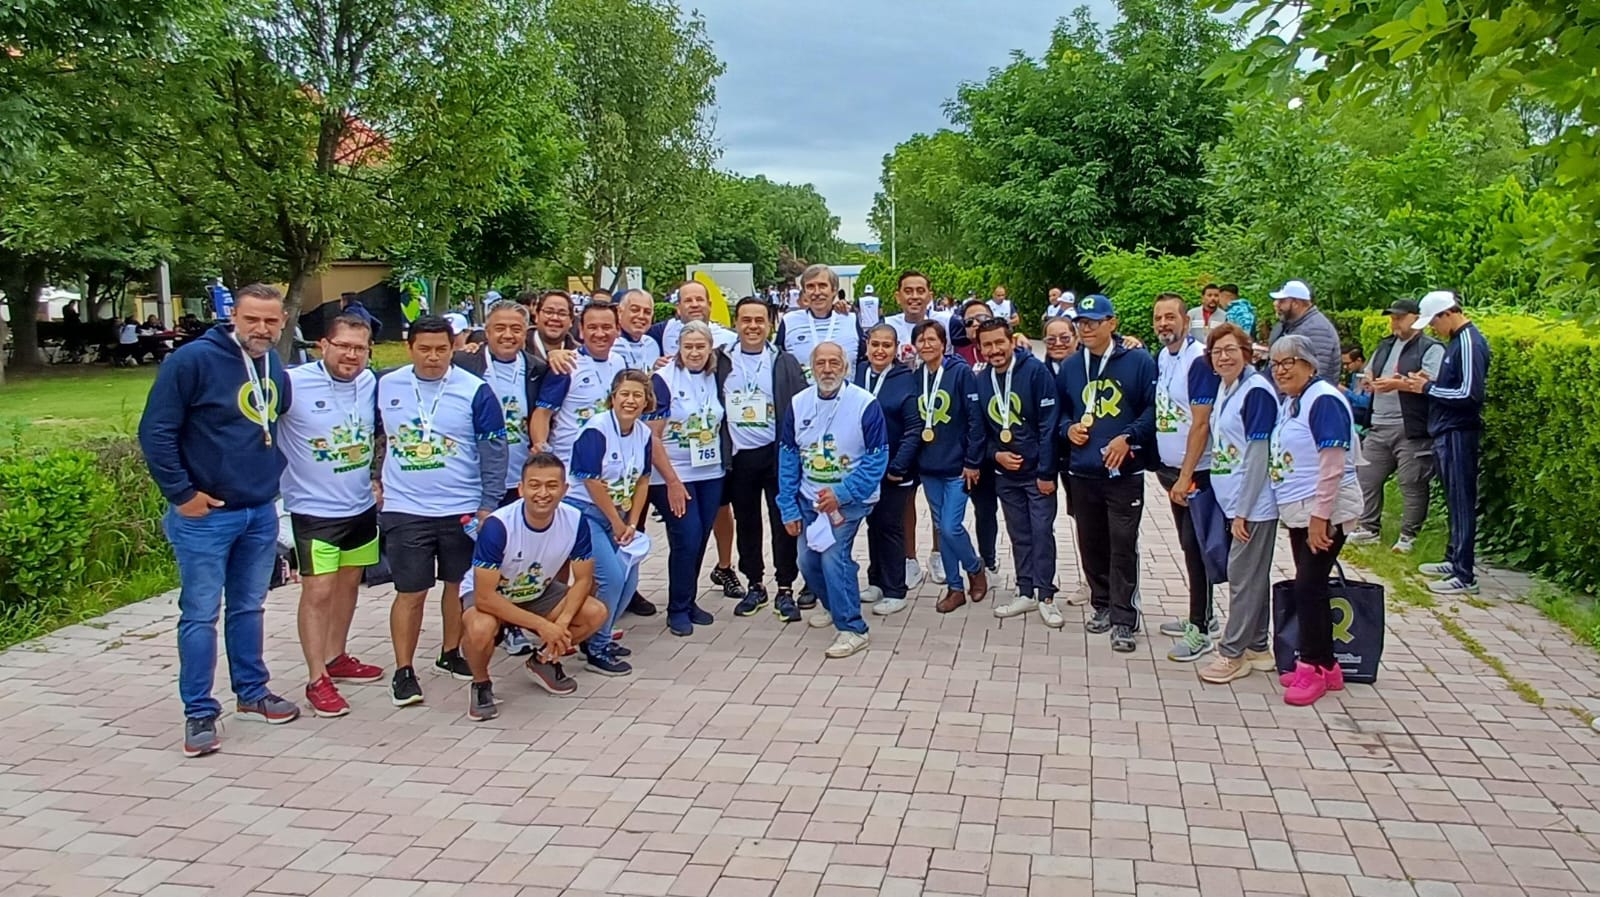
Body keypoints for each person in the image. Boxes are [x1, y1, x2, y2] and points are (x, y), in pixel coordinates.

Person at [138, 283, 301, 757]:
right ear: (233, 316)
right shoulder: (191, 361)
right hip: (206, 515)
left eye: (271, 321)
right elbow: (156, 431)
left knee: (249, 607)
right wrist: (181, 493)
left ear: (282, 321)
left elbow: (273, 419)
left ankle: (251, 692)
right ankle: (200, 711)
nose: (262, 328)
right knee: (200, 614)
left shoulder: (271, 362)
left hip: (258, 510)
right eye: (252, 319)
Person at [374, 315, 508, 708]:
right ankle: (403, 669)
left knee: (457, 585)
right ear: (409, 348)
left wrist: (488, 503)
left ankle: (451, 652)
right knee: (411, 591)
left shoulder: (476, 390)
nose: (433, 357)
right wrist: (373, 476)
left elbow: (493, 449)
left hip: (462, 506)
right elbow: (368, 432)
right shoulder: (384, 385)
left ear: (454, 348)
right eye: (424, 349)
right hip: (405, 507)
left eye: (441, 349)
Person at [277, 314, 383, 718]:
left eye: (360, 348)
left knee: (348, 584)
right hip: (313, 510)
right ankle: (316, 677)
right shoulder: (292, 383)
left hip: (359, 505)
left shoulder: (370, 382)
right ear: (324, 345)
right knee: (317, 591)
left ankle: (337, 656)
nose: (351, 355)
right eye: (344, 346)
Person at [458, 453, 611, 720]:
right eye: (534, 485)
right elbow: (484, 597)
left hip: (537, 591)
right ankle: (481, 683)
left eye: (552, 486)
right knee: (481, 629)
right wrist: (543, 626)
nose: (543, 493)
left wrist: (561, 623)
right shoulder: (498, 525)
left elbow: (584, 579)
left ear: (564, 489)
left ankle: (543, 661)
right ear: (521, 489)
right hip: (494, 595)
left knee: (595, 613)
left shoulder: (576, 520)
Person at [1056, 294, 1157, 653]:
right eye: (1081, 322)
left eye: (1093, 322)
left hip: (1124, 472)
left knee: (1123, 545)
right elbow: (1062, 412)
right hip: (1083, 471)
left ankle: (1125, 619)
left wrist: (1128, 437)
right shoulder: (1070, 366)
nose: (1085, 328)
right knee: (1091, 542)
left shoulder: (1138, 361)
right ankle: (1101, 604)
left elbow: (1152, 410)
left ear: (1112, 323)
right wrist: (1068, 429)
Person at [1267, 334, 1363, 706]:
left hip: (1323, 510)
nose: (1281, 370)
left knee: (1309, 586)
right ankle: (1326, 665)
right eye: (1276, 364)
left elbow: (1333, 462)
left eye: (1289, 362)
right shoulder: (1295, 401)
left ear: (1309, 364)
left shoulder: (1323, 400)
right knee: (1312, 586)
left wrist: (1321, 517)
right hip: (1301, 509)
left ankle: (1313, 666)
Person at [777, 342, 887, 658]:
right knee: (807, 561)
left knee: (833, 558)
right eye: (821, 362)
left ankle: (853, 628)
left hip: (850, 500)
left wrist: (841, 494)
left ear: (846, 367)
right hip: (810, 501)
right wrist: (787, 504)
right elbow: (787, 456)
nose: (827, 369)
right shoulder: (798, 404)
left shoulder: (865, 404)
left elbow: (877, 458)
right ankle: (834, 603)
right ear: (811, 368)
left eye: (834, 362)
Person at [1195, 324, 1281, 684]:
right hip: (1234, 502)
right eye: (1217, 352)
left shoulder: (1256, 391)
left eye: (1231, 350)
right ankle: (1258, 646)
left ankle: (1232, 653)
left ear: (1247, 352)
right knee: (1251, 575)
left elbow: (1259, 454)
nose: (1224, 357)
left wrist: (1244, 510)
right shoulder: (1228, 386)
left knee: (1242, 580)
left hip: (1253, 505)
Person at [721, 297, 808, 621]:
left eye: (760, 320)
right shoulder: (722, 361)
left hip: (777, 456)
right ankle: (754, 583)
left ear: (771, 324)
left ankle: (785, 586)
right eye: (746, 320)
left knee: (783, 521)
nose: (753, 326)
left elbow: (799, 409)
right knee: (747, 522)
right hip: (740, 457)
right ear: (736, 323)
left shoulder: (784, 361)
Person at [566, 369, 654, 674]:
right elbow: (591, 483)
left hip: (618, 515)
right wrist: (617, 523)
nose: (630, 401)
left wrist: (632, 523)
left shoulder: (643, 433)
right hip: (586, 512)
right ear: (613, 398)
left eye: (637, 395)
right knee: (611, 578)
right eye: (624, 394)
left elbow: (643, 480)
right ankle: (597, 648)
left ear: (646, 401)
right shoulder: (597, 429)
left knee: (628, 578)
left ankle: (598, 634)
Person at [976, 319, 1064, 626]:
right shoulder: (982, 379)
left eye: (999, 342)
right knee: (1019, 534)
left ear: (1012, 341)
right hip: (1006, 474)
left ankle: (1047, 595)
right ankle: (1026, 590)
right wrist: (995, 454)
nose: (994, 350)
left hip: (1037, 474)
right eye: (987, 345)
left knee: (1042, 532)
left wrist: (1046, 471)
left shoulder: (1035, 372)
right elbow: (981, 430)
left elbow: (1049, 425)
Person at [1401, 291, 1489, 595]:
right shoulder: (1456, 342)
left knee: (1462, 500)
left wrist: (1427, 388)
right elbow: (1452, 386)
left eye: (1434, 323)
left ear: (1446, 315)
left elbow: (1469, 394)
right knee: (1453, 498)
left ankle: (1465, 574)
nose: (1433, 330)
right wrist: (1432, 383)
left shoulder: (1468, 342)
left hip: (1458, 432)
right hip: (1446, 430)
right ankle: (1454, 558)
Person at [646, 322, 731, 635]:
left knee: (700, 537)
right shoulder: (663, 379)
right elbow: (653, 437)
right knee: (686, 536)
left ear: (710, 348)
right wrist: (672, 482)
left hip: (710, 472)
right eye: (688, 347)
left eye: (700, 346)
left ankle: (689, 599)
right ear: (678, 349)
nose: (695, 352)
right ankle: (677, 609)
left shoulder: (715, 376)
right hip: (673, 473)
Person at [1150, 294, 1222, 662]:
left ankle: (1201, 628)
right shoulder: (1164, 356)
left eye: (1170, 317)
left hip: (1196, 473)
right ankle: (1202, 616)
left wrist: (1187, 475)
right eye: (1158, 318)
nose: (1164, 324)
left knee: (1197, 548)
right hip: (1172, 472)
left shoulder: (1198, 361)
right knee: (1187, 544)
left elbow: (1201, 422)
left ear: (1185, 319)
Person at [1347, 298, 1445, 553]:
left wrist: (1396, 384)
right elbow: (1370, 371)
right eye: (1392, 318)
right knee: (1366, 476)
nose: (1395, 323)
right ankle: (1368, 528)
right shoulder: (1385, 344)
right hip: (1379, 422)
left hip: (1411, 426)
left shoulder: (1430, 348)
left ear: (1416, 318)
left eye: (1400, 318)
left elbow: (1431, 383)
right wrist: (1369, 380)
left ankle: (1408, 536)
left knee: (1411, 482)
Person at [909, 320, 989, 613]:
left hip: (958, 466)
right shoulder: (917, 376)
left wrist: (972, 460)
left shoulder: (960, 373)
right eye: (921, 340)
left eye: (932, 339)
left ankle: (974, 567)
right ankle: (955, 588)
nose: (926, 344)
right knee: (943, 530)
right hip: (929, 466)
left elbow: (975, 419)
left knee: (950, 526)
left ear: (944, 343)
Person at [882, 269, 955, 585]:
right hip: (905, 425)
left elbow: (983, 331)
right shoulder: (886, 327)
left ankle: (939, 554)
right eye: (907, 290)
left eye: (920, 290)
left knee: (939, 498)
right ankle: (909, 558)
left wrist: (1019, 336)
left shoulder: (949, 323)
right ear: (898, 295)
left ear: (929, 295)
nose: (914, 296)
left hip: (941, 421)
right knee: (906, 498)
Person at [854, 324, 921, 616]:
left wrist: (898, 467)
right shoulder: (858, 373)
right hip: (864, 468)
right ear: (867, 345)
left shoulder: (906, 379)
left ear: (896, 349)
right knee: (873, 524)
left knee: (891, 527)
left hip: (895, 469)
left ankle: (896, 590)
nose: (880, 350)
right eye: (875, 344)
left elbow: (914, 428)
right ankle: (877, 581)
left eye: (887, 345)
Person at [529, 301, 629, 468]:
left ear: (617, 330)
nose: (600, 333)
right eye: (592, 327)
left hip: (609, 463)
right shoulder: (566, 364)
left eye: (606, 327)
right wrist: (540, 446)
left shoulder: (619, 362)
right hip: (571, 464)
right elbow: (543, 413)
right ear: (581, 331)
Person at [1040, 315, 1090, 606]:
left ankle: (1092, 580)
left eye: (1064, 338)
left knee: (1084, 519)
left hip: (1079, 453)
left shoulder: (1087, 366)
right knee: (1046, 519)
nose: (1058, 344)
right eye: (1051, 339)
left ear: (1076, 338)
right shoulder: (1038, 370)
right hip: (1048, 455)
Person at [954, 300, 1001, 571]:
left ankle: (991, 558)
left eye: (981, 318)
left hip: (1001, 446)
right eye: (969, 321)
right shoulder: (956, 353)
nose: (975, 325)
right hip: (970, 449)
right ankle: (979, 559)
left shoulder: (1007, 349)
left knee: (994, 510)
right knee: (979, 508)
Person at [777, 264, 863, 381]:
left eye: (822, 286)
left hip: (845, 397)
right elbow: (778, 362)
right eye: (810, 286)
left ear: (834, 290)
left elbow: (863, 360)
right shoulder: (789, 321)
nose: (816, 292)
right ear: (805, 292)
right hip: (802, 397)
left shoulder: (850, 320)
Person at [1265, 280, 1341, 383]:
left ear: (1296, 303)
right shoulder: (1297, 325)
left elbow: (1314, 374)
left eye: (1282, 301)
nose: (1276, 304)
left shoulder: (1316, 329)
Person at [649, 280, 737, 360]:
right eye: (688, 300)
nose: (694, 305)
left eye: (699, 299)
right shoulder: (662, 332)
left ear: (709, 305)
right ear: (678, 308)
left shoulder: (731, 339)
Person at [614, 289, 664, 371]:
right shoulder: (611, 345)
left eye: (647, 312)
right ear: (619, 311)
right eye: (635, 310)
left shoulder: (651, 344)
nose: (641, 316)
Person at [1340, 344, 1373, 432]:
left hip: (1366, 414)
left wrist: (1345, 391)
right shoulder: (1355, 374)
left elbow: (1366, 403)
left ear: (1358, 360)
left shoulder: (1369, 374)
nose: (1345, 367)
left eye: (1347, 364)